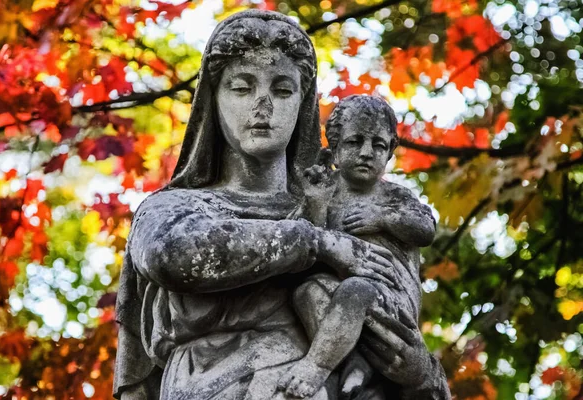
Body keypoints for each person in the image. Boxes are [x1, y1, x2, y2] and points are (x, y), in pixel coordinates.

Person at [113, 10, 451, 400]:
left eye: (283, 90)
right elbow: (171, 253)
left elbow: (397, 321)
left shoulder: (343, 212)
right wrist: (316, 243)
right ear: (213, 100)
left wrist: (418, 374)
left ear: (303, 104)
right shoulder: (174, 209)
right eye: (241, 88)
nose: (263, 105)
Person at [278, 95, 438, 399]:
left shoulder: (393, 196)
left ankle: (316, 366)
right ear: (335, 147)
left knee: (356, 290)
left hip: (391, 300)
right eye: (355, 142)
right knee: (306, 291)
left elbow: (426, 229)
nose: (367, 153)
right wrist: (315, 203)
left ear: (390, 151)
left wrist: (382, 218)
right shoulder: (327, 189)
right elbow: (306, 250)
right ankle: (352, 360)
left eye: (378, 145)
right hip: (341, 296)